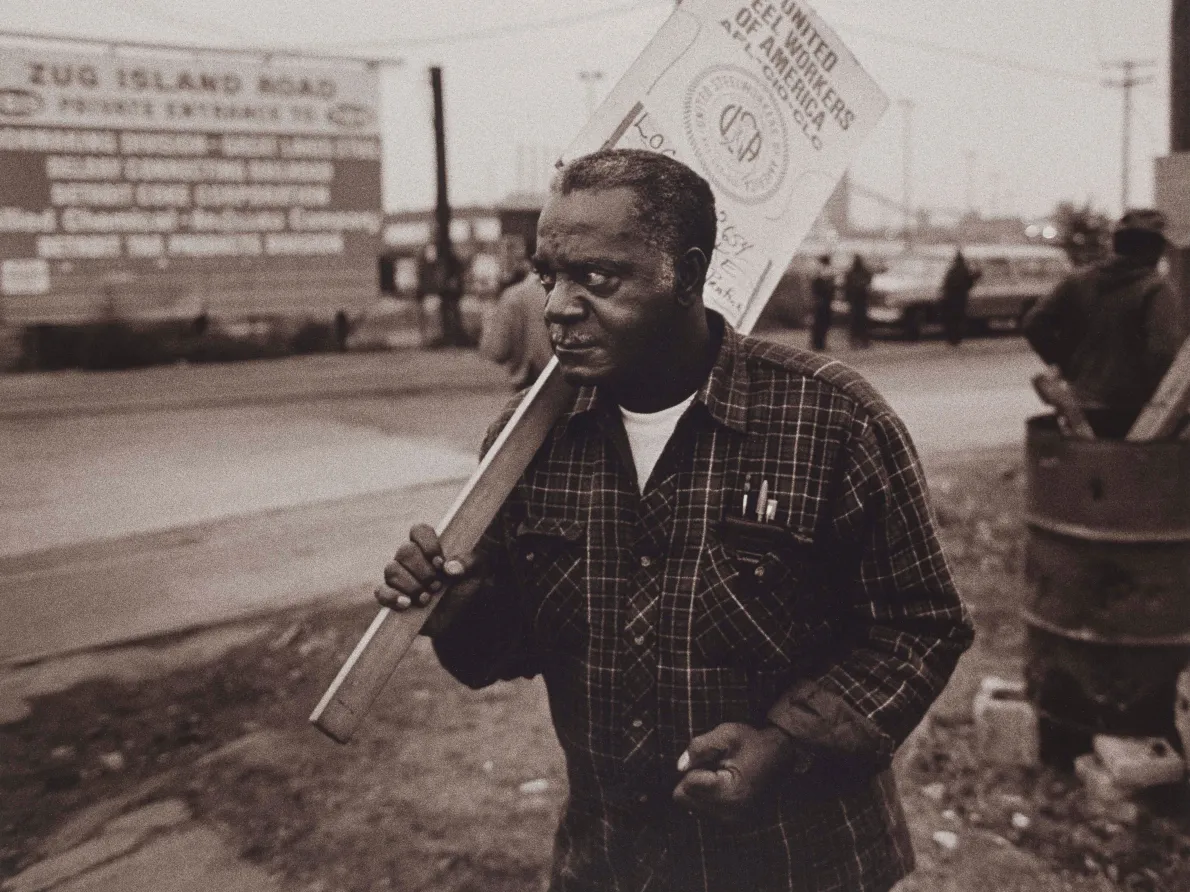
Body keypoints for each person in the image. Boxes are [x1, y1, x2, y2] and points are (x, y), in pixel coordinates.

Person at [376, 149, 972, 892]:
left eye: (599, 278)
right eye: (549, 276)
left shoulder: (832, 420)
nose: (560, 305)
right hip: (612, 864)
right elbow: (517, 642)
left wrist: (786, 744)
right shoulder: (527, 442)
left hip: (800, 864)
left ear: (686, 275)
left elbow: (920, 625)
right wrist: (456, 608)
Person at [1022, 209, 1181, 422]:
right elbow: (1163, 351)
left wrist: (1066, 364)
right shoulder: (1155, 288)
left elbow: (1035, 324)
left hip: (1080, 402)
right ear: (1155, 248)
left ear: (1116, 244)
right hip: (1132, 409)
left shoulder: (1078, 281)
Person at [479, 262, 554, 389]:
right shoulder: (576, 292)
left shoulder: (514, 295)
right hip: (571, 385)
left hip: (528, 381)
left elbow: (497, 351)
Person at [939, 249, 981, 346]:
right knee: (958, 319)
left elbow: (946, 284)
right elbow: (970, 282)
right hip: (961, 298)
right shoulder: (964, 270)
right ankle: (956, 338)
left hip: (951, 298)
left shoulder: (951, 271)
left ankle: (952, 338)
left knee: (951, 319)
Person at [844, 253, 873, 348]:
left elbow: (847, 286)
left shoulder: (852, 272)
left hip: (858, 300)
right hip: (859, 300)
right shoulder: (860, 272)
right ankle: (860, 341)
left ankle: (859, 341)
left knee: (858, 322)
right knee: (859, 322)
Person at [808, 253, 835, 351]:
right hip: (824, 302)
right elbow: (830, 289)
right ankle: (820, 344)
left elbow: (815, 288)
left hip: (820, 302)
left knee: (819, 323)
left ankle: (817, 343)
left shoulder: (818, 272)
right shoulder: (826, 272)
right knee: (823, 323)